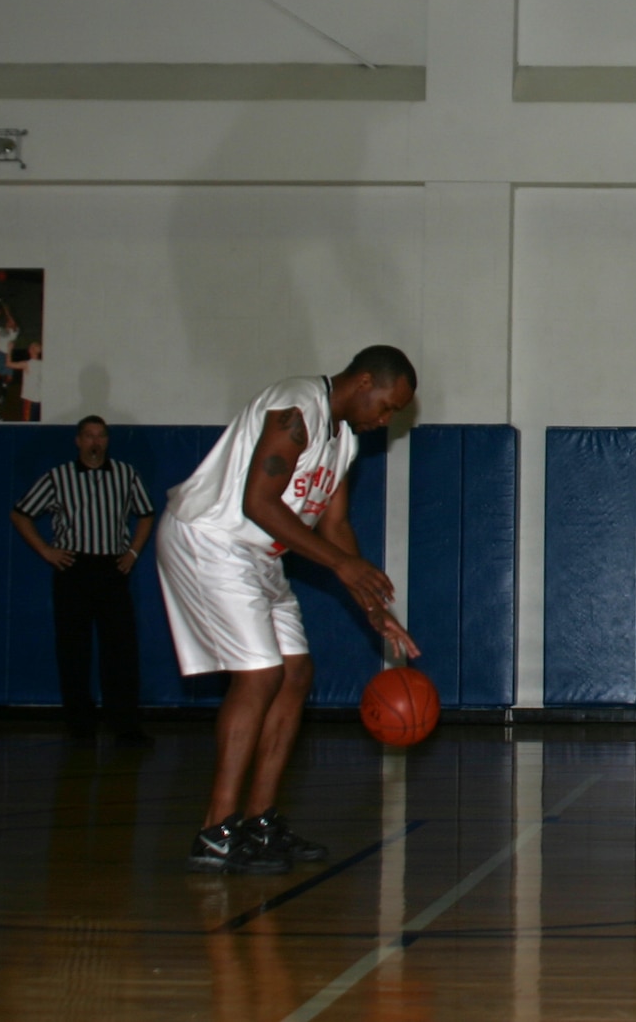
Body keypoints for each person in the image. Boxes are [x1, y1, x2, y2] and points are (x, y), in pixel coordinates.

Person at [157, 347, 419, 875]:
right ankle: (216, 830)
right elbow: (259, 501)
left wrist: (372, 603)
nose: (385, 420)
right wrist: (343, 570)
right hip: (211, 539)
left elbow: (336, 529)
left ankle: (258, 821)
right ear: (364, 380)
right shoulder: (297, 408)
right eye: (387, 406)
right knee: (260, 675)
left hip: (258, 552)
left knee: (296, 674)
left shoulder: (342, 440)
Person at [10, 416, 156, 743]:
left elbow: (146, 514)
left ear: (107, 440)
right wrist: (46, 551)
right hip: (73, 567)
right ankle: (80, 723)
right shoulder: (58, 477)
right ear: (78, 440)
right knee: (73, 649)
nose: (95, 441)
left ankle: (124, 723)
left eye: (101, 435)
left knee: (120, 649)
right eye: (89, 436)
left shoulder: (125, 474)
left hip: (112, 567)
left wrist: (132, 553)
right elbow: (20, 514)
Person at [10, 340, 43, 421]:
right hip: (40, 398)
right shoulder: (43, 363)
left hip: (30, 398)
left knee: (28, 422)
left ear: (31, 350)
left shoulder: (27, 364)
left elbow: (8, 364)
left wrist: (9, 350)